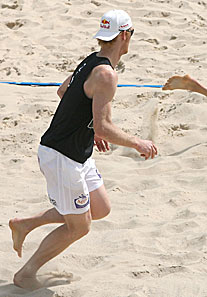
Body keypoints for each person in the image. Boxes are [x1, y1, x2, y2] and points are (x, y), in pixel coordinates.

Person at [8, 10, 157, 290]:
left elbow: (64, 91)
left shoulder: (92, 61)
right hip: (62, 156)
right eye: (131, 35)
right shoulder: (106, 74)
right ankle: (26, 273)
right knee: (80, 226)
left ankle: (26, 223)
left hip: (76, 153)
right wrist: (137, 142)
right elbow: (103, 126)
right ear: (124, 35)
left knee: (100, 207)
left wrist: (91, 127)